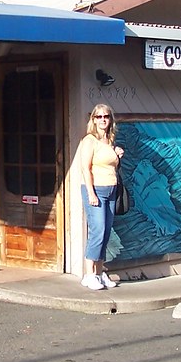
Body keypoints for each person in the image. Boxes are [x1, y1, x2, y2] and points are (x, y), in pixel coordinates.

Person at [78, 103, 124, 290]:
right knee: (97, 231)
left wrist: (117, 155)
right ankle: (89, 274)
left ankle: (99, 272)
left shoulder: (109, 140)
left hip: (111, 189)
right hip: (96, 189)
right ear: (93, 120)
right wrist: (91, 193)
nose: (103, 120)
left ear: (110, 119)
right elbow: (85, 168)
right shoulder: (89, 140)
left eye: (106, 116)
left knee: (106, 232)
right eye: (99, 117)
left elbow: (109, 166)